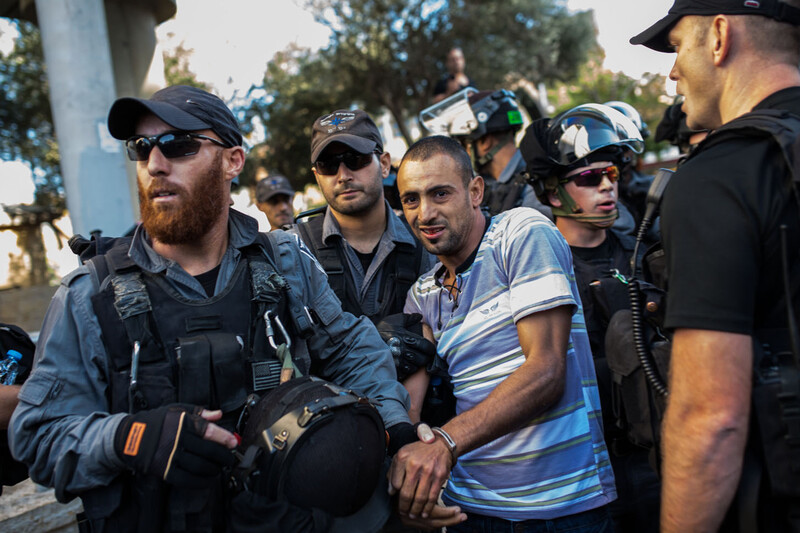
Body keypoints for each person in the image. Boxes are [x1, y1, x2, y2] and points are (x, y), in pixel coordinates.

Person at [8, 85, 418, 532]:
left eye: (179, 145)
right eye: (142, 148)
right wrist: (131, 438)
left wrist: (394, 431)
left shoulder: (285, 261)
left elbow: (354, 351)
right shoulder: (90, 294)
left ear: (232, 161)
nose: (155, 164)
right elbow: (37, 435)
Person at [390, 135, 616, 531]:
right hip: (468, 510)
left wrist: (445, 442)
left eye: (440, 193)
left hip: (562, 508)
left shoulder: (521, 233)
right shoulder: (421, 293)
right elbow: (410, 409)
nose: (424, 213)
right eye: (411, 199)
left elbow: (546, 372)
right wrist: (414, 484)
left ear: (475, 191)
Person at [631, 1, 800, 531]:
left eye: (679, 46)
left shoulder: (719, 177)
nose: (673, 70)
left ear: (720, 37)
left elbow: (711, 420)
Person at [520, 103, 660, 533]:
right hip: (585, 463)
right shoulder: (537, 267)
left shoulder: (637, 249)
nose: (607, 187)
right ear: (551, 192)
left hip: (652, 451)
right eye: (589, 178)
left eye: (612, 175)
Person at [295, 109, 438, 424]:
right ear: (316, 175)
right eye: (328, 165)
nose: (343, 174)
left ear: (384, 163)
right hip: (331, 433)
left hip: (420, 431)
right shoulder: (294, 250)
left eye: (356, 158)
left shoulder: (428, 240)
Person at [420, 88, 552, 219]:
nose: (462, 153)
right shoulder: (494, 183)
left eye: (463, 144)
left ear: (485, 141)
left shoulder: (533, 188)